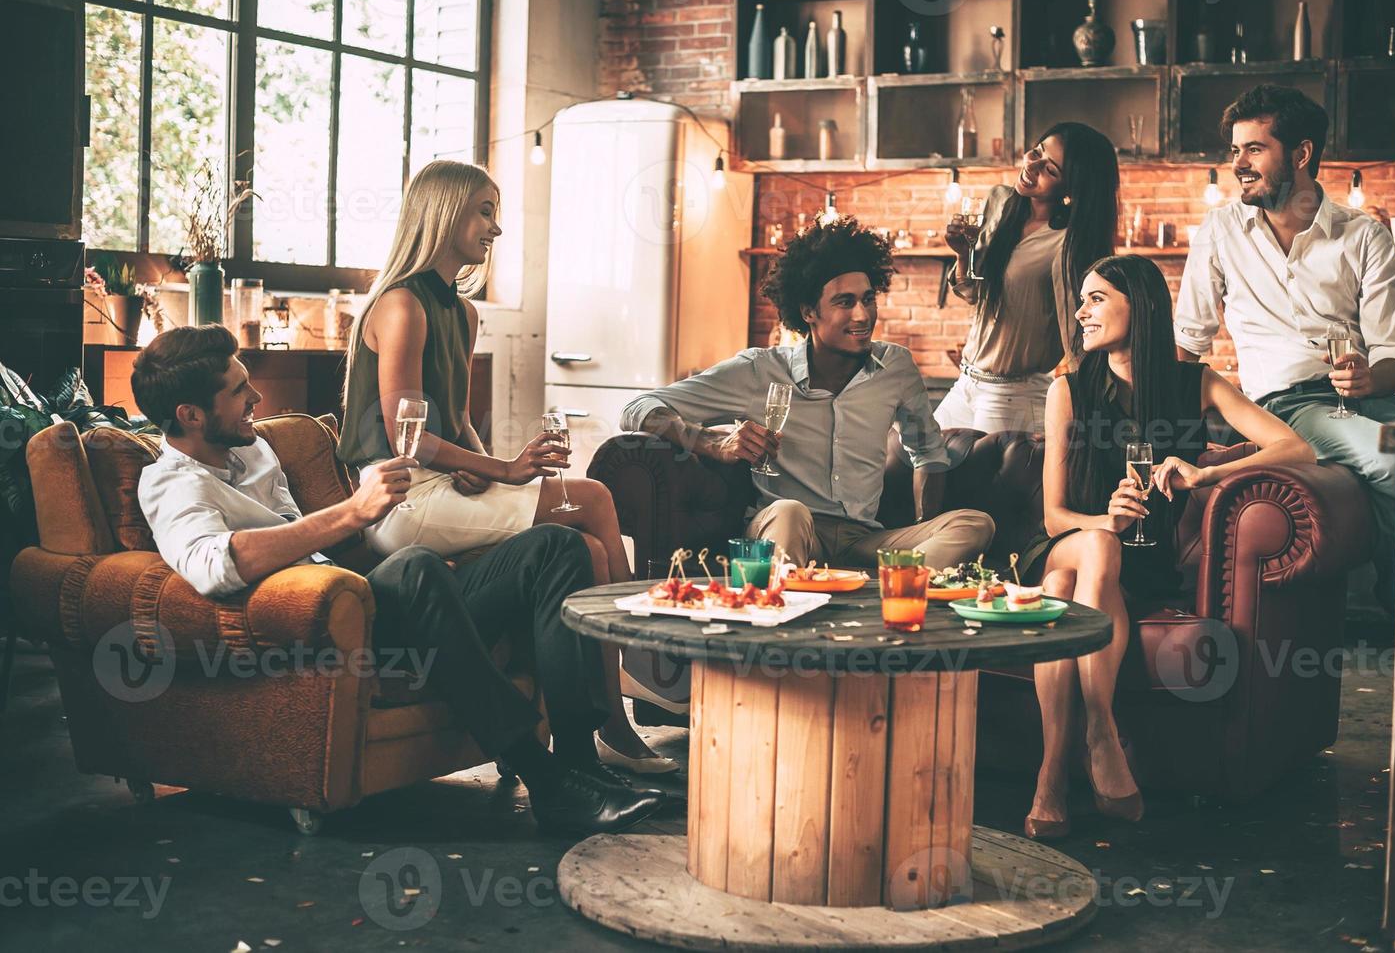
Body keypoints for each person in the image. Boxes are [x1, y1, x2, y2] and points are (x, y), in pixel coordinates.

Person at [132, 325, 663, 835]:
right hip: (330, 632)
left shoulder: (251, 450)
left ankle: (577, 762)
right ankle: (547, 784)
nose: (257, 395)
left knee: (556, 545)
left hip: (362, 600)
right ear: (191, 415)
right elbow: (213, 566)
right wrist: (352, 512)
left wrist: (381, 508)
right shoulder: (170, 486)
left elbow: (313, 542)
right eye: (238, 389)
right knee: (415, 566)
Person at [336, 160, 672, 773]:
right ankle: (632, 691)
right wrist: (507, 471)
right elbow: (402, 437)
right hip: (398, 500)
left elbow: (456, 421)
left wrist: (484, 465)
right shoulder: (401, 305)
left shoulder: (463, 314)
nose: (496, 228)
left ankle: (599, 724)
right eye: (484, 212)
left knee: (592, 554)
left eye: (497, 212)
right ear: (444, 214)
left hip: (440, 487)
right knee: (594, 500)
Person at [1020, 255, 1315, 840]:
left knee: (1059, 595)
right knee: (1094, 549)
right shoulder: (1069, 390)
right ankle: (1100, 734)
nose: (1081, 312)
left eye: (1096, 298)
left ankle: (1051, 774)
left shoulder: (1194, 383)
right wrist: (1103, 518)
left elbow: (1295, 448)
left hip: (1140, 566)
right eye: (1082, 299)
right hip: (1066, 545)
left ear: (1142, 305)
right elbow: (1054, 518)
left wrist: (1205, 474)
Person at [621, 215, 996, 570]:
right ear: (808, 311)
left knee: (974, 525)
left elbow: (928, 453)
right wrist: (710, 441)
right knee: (790, 512)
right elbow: (638, 408)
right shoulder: (758, 370)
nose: (863, 316)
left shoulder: (895, 368)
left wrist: (923, 528)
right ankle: (796, 610)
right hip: (784, 526)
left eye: (868, 299)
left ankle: (890, 589)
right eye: (845, 302)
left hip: (862, 541)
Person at [1175, 84, 1395, 611]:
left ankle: (1394, 605)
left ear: (1301, 153)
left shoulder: (1363, 235)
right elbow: (1187, 343)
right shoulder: (1219, 232)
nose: (1238, 163)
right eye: (1235, 150)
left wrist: (1368, 378)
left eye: (1254, 149)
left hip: (1372, 401)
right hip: (1287, 407)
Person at [936, 122, 1120, 435]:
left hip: (1011, 396)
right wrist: (961, 254)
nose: (1031, 166)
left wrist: (1090, 411)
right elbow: (974, 294)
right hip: (966, 383)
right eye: (1036, 152)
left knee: (976, 484)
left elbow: (1076, 333)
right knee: (912, 460)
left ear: (1071, 190)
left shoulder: (1066, 244)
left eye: (1049, 169)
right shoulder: (1000, 205)